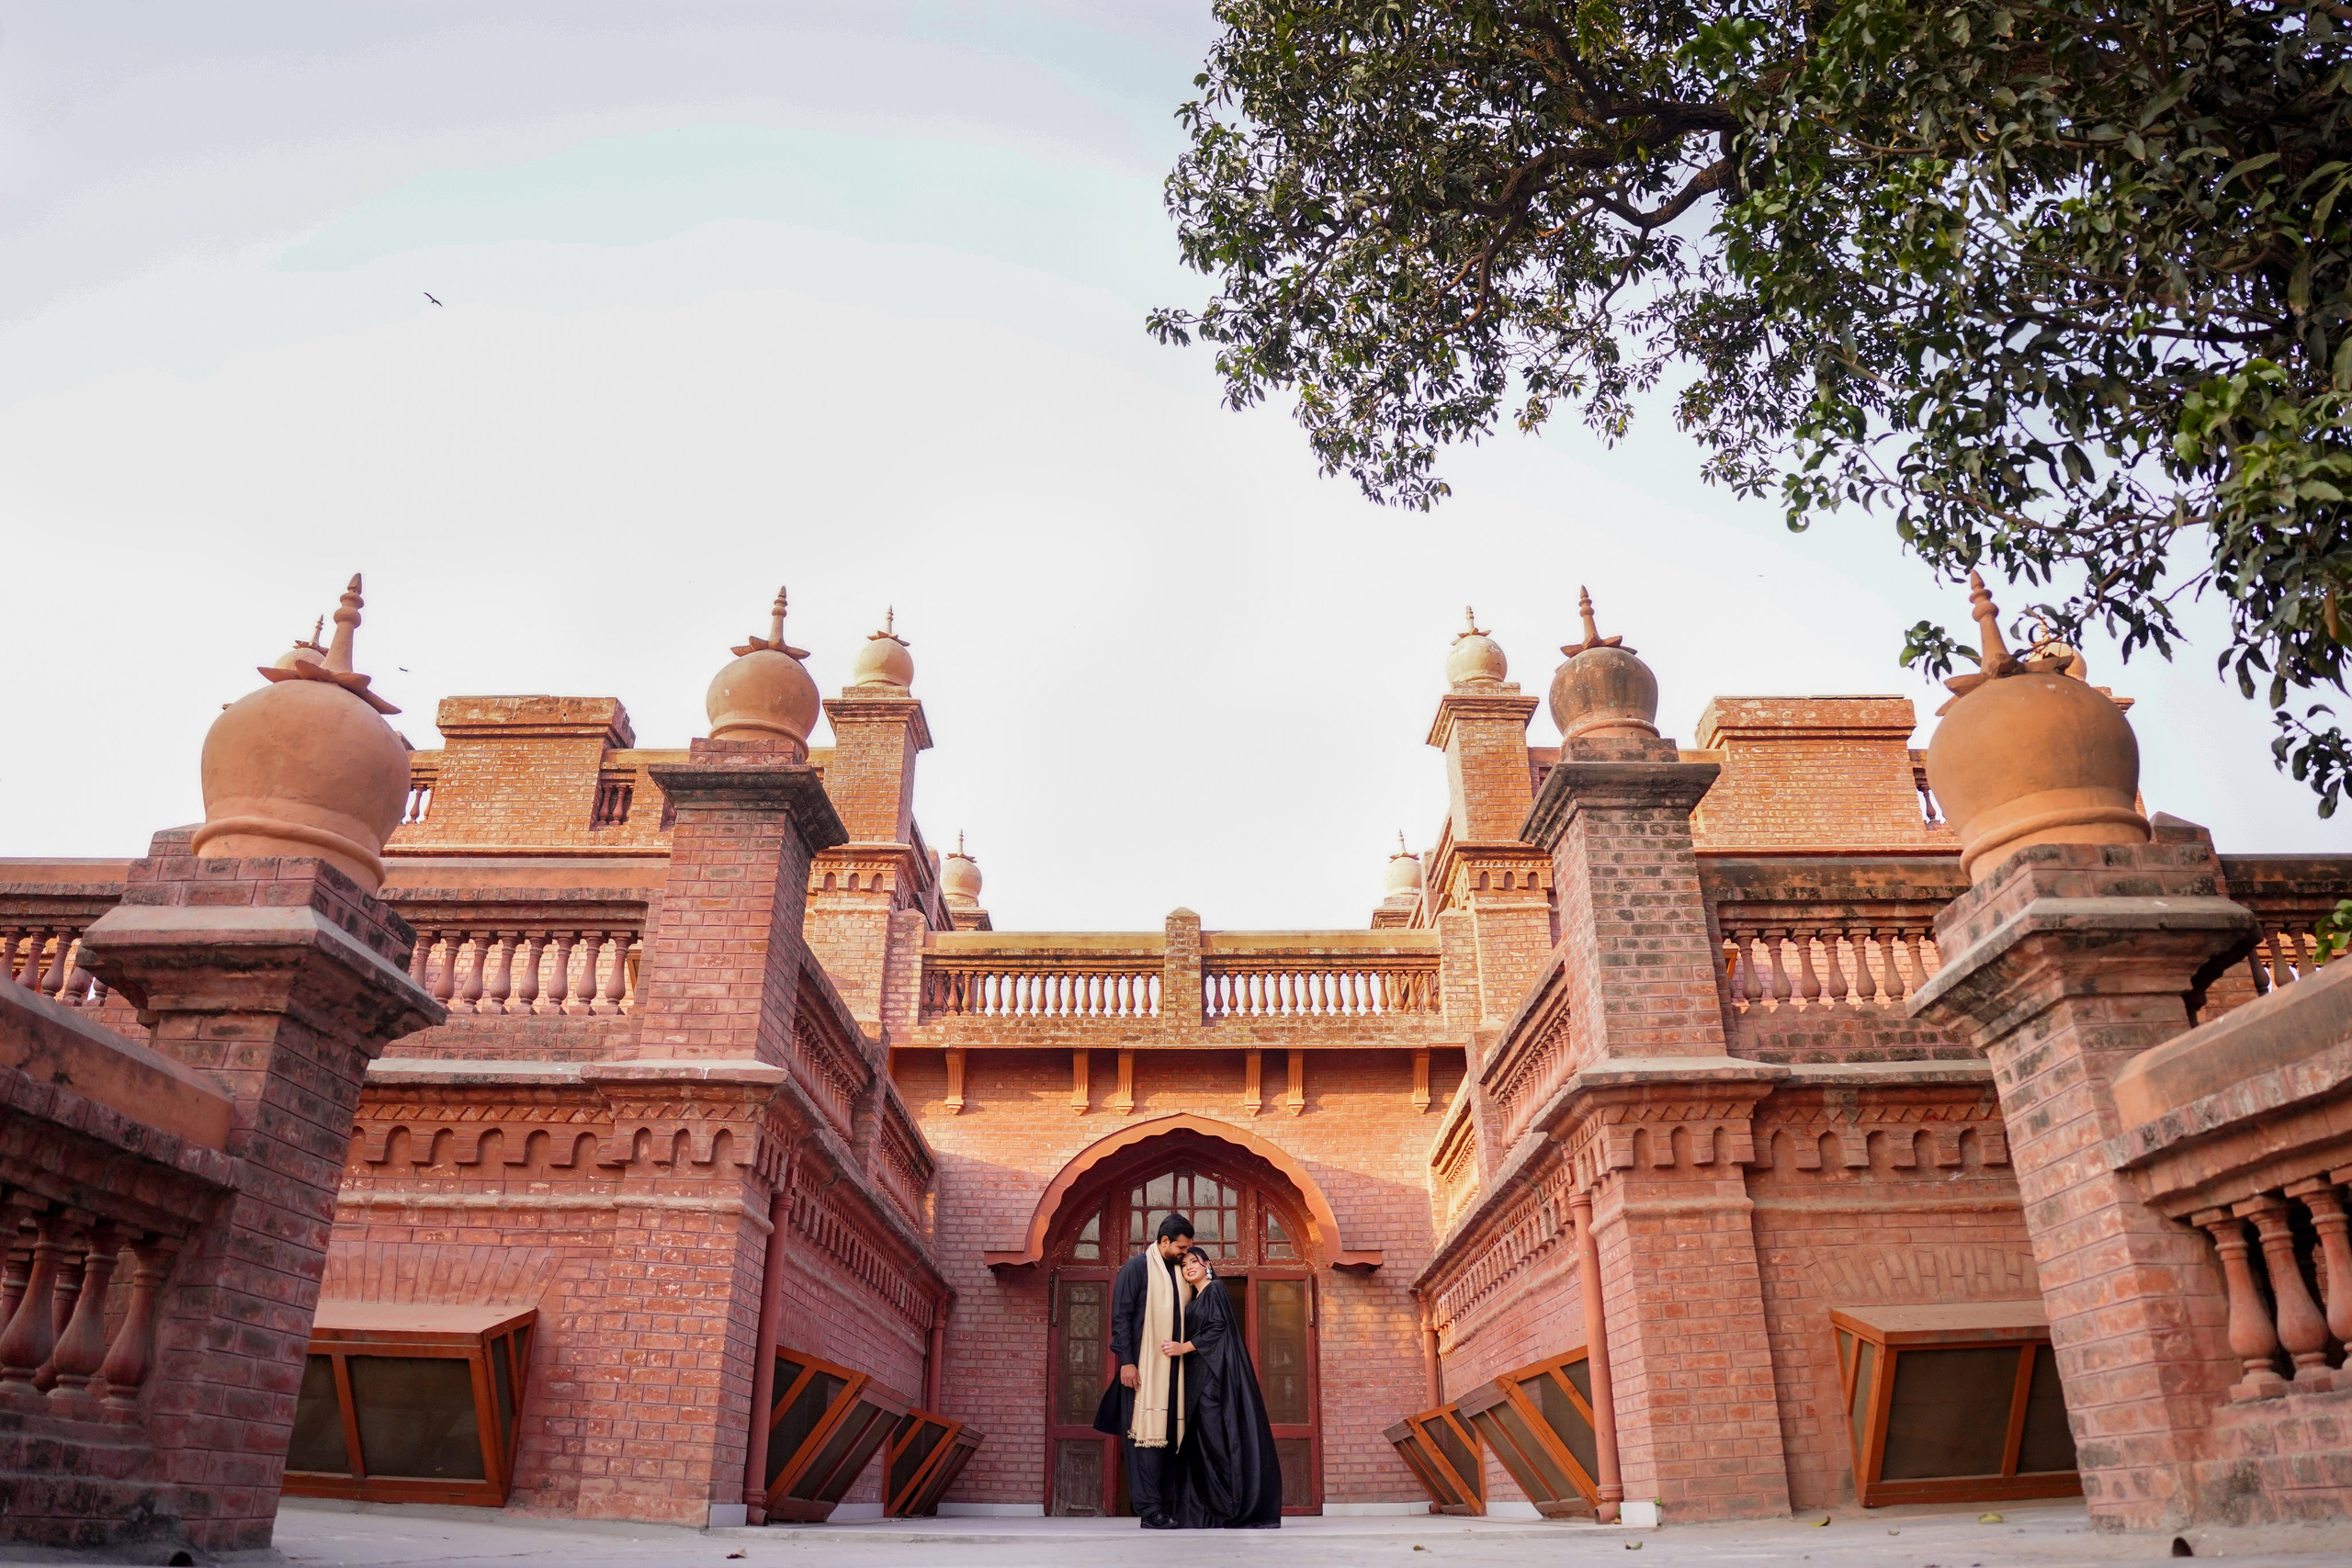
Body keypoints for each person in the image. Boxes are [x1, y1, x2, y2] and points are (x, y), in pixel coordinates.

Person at [1159, 1254, 1283, 1529]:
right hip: (1198, 1378)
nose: (1189, 1267)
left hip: (1212, 1380)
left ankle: (1229, 1506)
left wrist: (1183, 1347)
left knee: (1215, 1443)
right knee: (1201, 1445)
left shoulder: (1214, 1290)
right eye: (1184, 1265)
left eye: (1194, 1262)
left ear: (1207, 1265)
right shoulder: (1195, 1299)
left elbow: (1218, 1329)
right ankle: (1210, 1510)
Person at [1092, 1213, 1193, 1528]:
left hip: (1176, 1372)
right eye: (1180, 1246)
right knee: (1144, 1445)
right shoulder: (1136, 1269)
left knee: (1170, 1440)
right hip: (1141, 1373)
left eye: (1188, 1247)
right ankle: (1150, 1512)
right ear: (1164, 1241)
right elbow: (1120, 1317)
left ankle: (1166, 1507)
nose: (1184, 1252)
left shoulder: (1182, 1272)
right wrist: (1126, 1361)